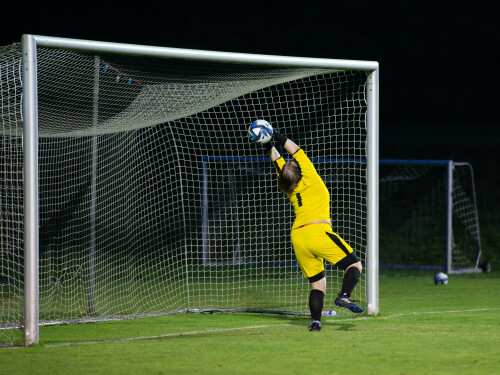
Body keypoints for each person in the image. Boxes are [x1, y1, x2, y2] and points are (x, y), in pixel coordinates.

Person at [260, 125, 363, 332]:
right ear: (300, 171)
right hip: (317, 232)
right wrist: (275, 135)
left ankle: (315, 324)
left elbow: (277, 161)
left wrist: (265, 142)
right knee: (355, 266)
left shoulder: (289, 188)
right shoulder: (311, 179)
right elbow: (296, 151)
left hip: (299, 237)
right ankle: (343, 296)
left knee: (318, 284)